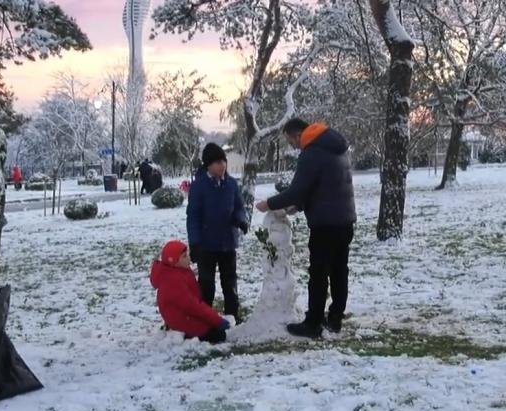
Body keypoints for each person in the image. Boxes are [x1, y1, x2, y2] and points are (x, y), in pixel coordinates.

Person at [256, 118, 356, 339]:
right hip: (345, 220)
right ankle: (335, 318)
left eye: (291, 141)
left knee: (319, 273)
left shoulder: (312, 152)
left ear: (296, 134)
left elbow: (297, 190)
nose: (293, 146)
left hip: (325, 224)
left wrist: (268, 204)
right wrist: (298, 206)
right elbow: (322, 186)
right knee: (340, 270)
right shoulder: (335, 147)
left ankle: (312, 323)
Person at [187, 143, 248, 323]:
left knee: (230, 282)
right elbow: (193, 216)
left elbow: (239, 206)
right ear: (208, 165)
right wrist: (195, 243)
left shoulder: (231, 184)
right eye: (217, 162)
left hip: (228, 242)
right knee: (207, 285)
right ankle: (204, 317)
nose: (222, 165)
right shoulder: (199, 186)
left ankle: (232, 315)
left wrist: (240, 219)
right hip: (207, 245)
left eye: (223, 161)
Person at [149, 240, 231, 343]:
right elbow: (192, 305)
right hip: (182, 319)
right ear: (173, 261)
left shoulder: (178, 271)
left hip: (183, 313)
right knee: (218, 335)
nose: (188, 258)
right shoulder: (174, 281)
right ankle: (187, 335)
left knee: (212, 325)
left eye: (187, 254)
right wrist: (217, 320)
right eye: (184, 256)